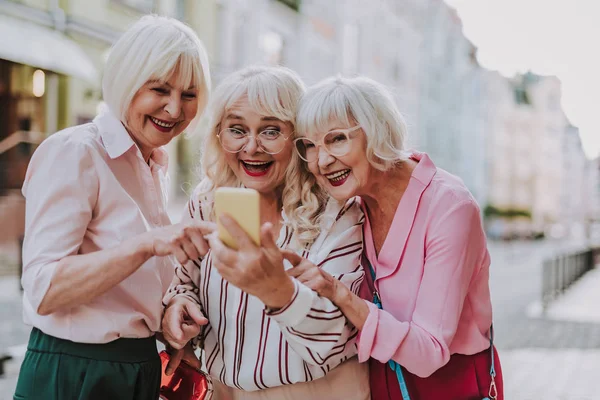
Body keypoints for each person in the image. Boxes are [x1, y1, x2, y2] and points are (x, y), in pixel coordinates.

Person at [14, 15, 213, 400]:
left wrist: (167, 317)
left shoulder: (151, 162)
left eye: (189, 95)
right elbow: (43, 288)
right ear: (127, 81)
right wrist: (146, 244)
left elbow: (125, 293)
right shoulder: (77, 152)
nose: (174, 109)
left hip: (134, 369)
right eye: (160, 89)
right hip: (74, 370)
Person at [289, 75, 504, 400]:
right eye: (309, 145)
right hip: (379, 381)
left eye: (336, 140)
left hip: (451, 385)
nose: (320, 162)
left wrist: (340, 295)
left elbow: (429, 351)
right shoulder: (350, 204)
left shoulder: (450, 208)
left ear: (376, 132)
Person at [161, 66, 370, 400]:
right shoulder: (207, 202)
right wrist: (180, 306)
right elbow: (184, 280)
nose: (252, 147)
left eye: (271, 131)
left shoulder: (336, 211)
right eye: (237, 130)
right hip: (224, 392)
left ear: (299, 137)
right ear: (219, 135)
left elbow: (337, 337)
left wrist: (279, 292)